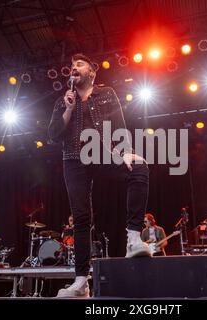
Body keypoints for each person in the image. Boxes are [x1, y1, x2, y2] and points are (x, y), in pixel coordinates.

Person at [48, 53, 151, 298]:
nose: (74, 67)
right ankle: (81, 282)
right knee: (82, 218)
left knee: (139, 167)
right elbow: (53, 134)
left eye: (79, 64)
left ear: (92, 72)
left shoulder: (106, 93)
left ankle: (134, 239)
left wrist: (125, 152)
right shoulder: (63, 101)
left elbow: (119, 124)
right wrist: (68, 109)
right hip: (73, 160)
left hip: (101, 152)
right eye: (72, 65)